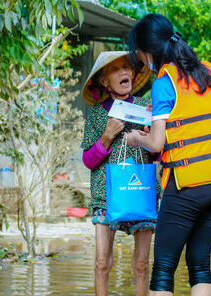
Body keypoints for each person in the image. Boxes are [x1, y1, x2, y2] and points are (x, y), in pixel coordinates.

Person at [126, 14, 211, 296]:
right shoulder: (209, 71)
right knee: (200, 265)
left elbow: (155, 142)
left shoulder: (165, 82)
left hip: (187, 187)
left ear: (148, 51)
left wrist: (135, 139)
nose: (140, 60)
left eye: (139, 54)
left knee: (163, 268)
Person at [80, 51, 157, 296]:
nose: (124, 72)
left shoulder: (146, 109)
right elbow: (88, 161)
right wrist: (107, 135)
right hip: (105, 196)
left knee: (143, 265)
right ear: (103, 81)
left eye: (127, 67)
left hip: (140, 192)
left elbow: (157, 154)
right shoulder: (97, 114)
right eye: (115, 69)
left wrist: (151, 133)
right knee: (102, 263)